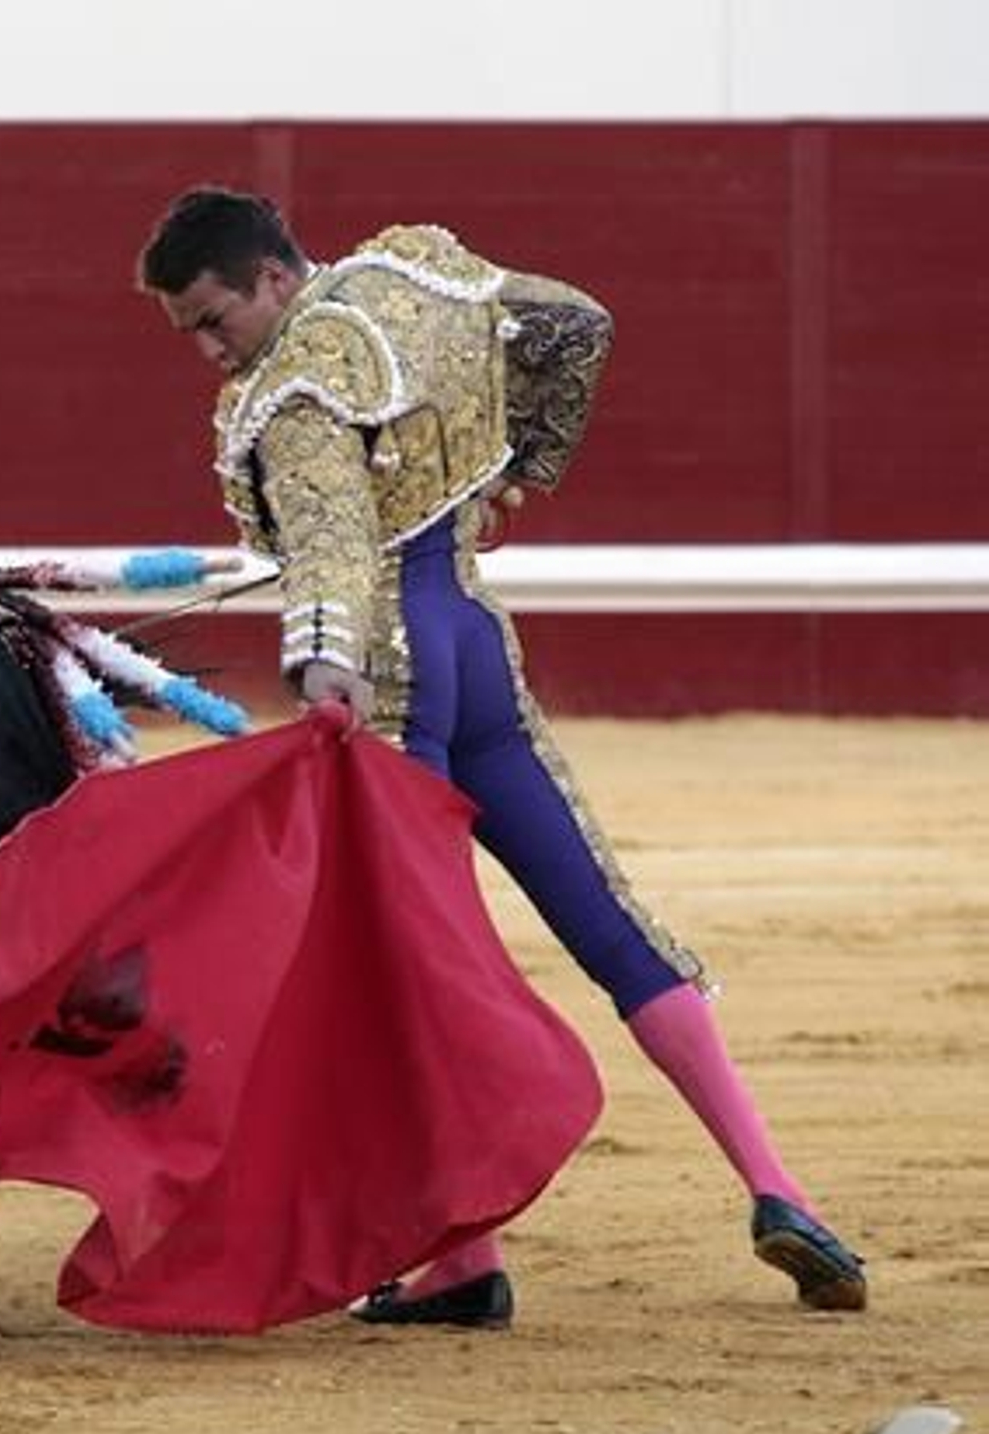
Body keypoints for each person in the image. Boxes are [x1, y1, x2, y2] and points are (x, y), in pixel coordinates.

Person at [136, 185, 866, 1326]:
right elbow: (576, 324)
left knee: (406, 972)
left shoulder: (294, 388)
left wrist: (321, 665)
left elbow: (331, 542)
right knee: (612, 924)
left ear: (271, 278)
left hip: (390, 681)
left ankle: (464, 1261)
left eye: (213, 318)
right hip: (474, 643)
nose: (208, 349)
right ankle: (780, 1190)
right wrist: (520, 464)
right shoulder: (415, 275)